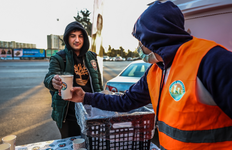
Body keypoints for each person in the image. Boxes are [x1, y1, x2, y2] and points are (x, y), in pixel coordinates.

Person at [65, 1, 232, 149]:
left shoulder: (212, 60)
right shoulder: (156, 71)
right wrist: (85, 97)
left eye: (141, 41)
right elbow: (125, 102)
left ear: (155, 38)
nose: (139, 47)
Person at [44, 21, 103, 139]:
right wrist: (53, 81)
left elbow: (98, 82)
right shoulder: (59, 58)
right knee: (72, 145)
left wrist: (101, 103)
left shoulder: (92, 57)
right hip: (68, 116)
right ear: (67, 38)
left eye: (80, 36)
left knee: (91, 144)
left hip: (91, 112)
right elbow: (49, 78)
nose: (77, 40)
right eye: (73, 36)